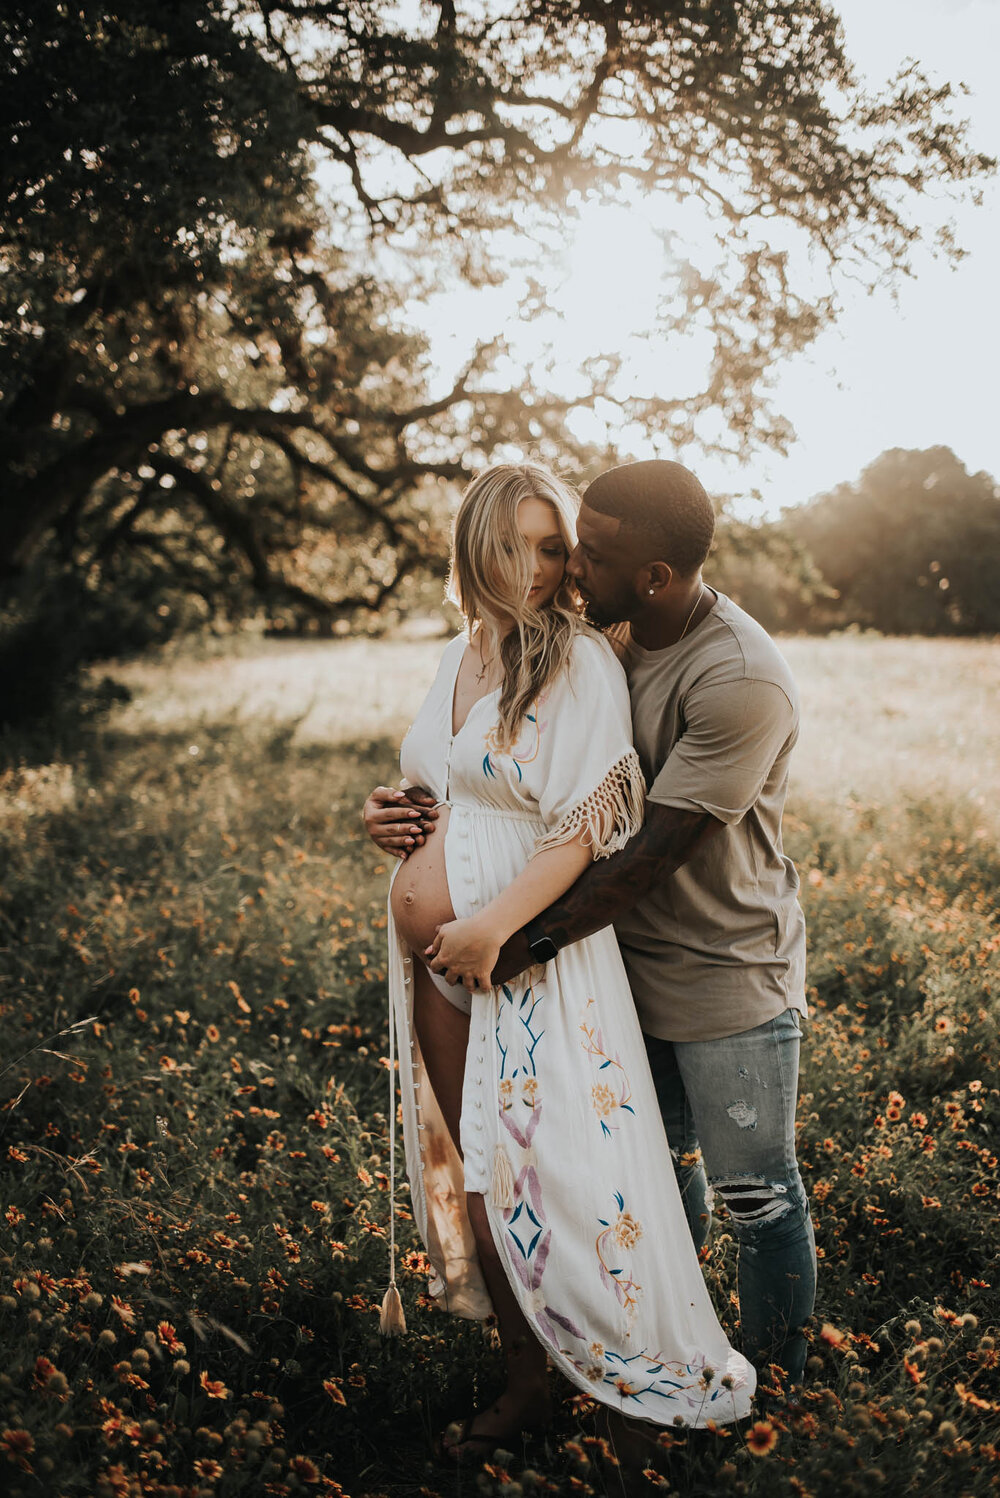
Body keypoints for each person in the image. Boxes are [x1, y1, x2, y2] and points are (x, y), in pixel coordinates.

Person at [366, 458, 816, 1396]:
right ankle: (625, 1344)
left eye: (581, 552)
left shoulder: (734, 677)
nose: (566, 569)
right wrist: (403, 816)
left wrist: (511, 939)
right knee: (641, 1173)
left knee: (754, 1194)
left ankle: (779, 1390)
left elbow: (643, 848)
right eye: (555, 547)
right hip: (608, 953)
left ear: (650, 577)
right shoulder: (586, 635)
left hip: (715, 965)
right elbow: (483, 777)